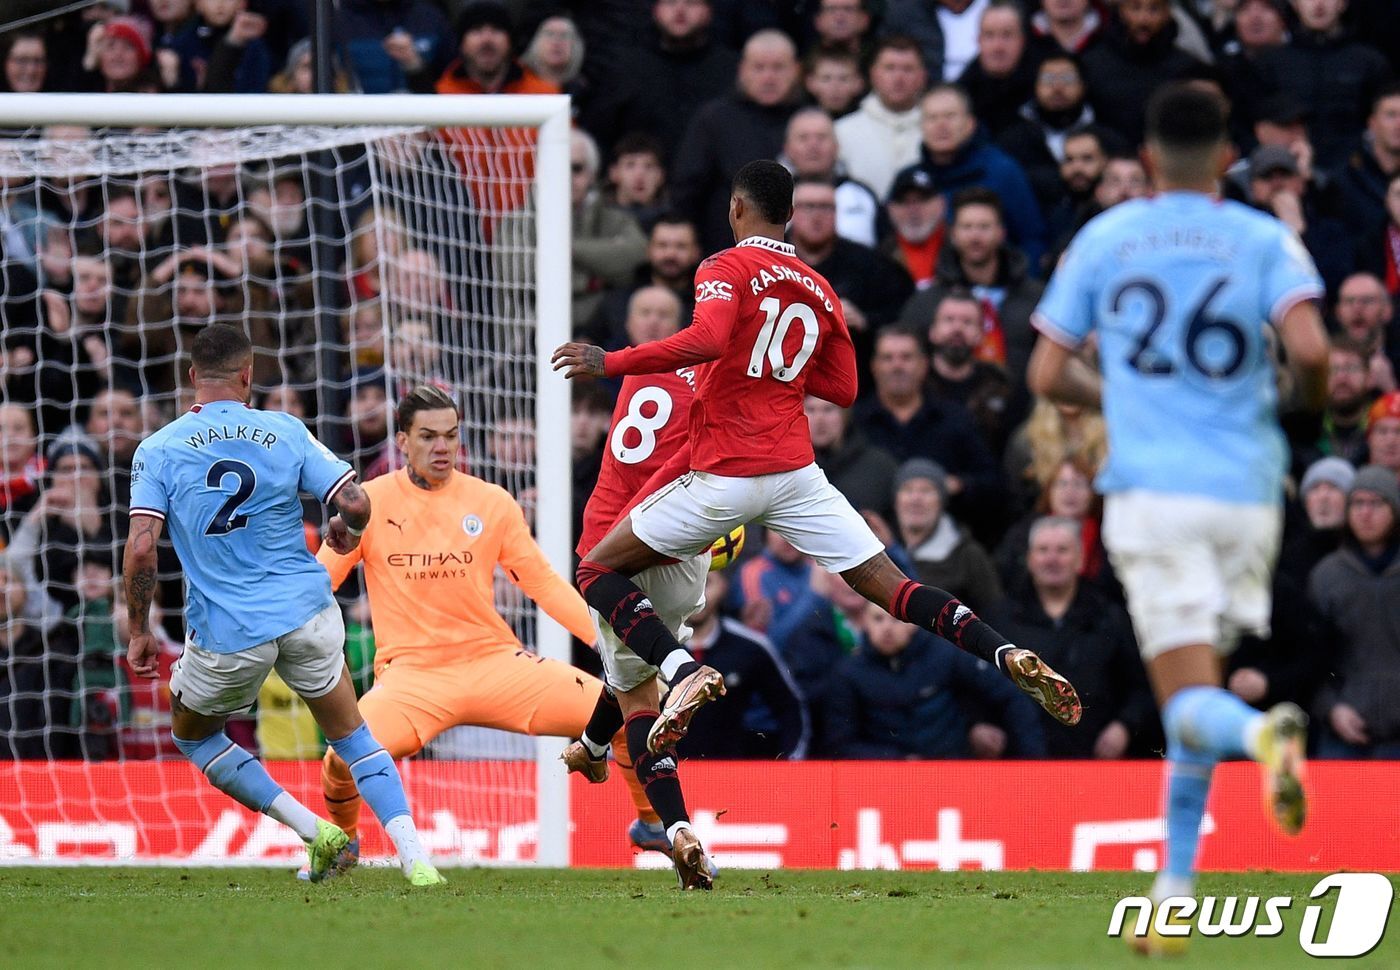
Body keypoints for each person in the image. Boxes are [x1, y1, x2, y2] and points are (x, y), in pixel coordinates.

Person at [553, 160, 1082, 766]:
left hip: (726, 474)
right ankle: (1000, 651)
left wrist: (610, 361)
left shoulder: (724, 266)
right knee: (894, 587)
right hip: (798, 477)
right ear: (791, 217)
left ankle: (677, 670)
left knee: (596, 569)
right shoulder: (818, 285)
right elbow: (845, 388)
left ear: (735, 208)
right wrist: (777, 372)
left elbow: (708, 340)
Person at [1026, 83, 1329, 955]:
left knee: (1193, 702)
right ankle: (1172, 892)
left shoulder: (1109, 236)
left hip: (1156, 494)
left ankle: (1264, 734)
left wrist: (1115, 393)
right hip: (1247, 493)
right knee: (1194, 686)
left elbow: (1048, 373)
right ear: (1227, 154)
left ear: (1149, 159)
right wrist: (1297, 406)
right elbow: (1310, 350)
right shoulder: (1263, 237)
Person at [122, 324, 443, 886]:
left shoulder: (160, 448)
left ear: (193, 376)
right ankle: (416, 860)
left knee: (194, 736)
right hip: (307, 613)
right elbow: (355, 499)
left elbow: (142, 547)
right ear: (249, 376)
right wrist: (345, 531)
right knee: (352, 735)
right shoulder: (285, 430)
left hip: (228, 630)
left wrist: (138, 627)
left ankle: (315, 831)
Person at [312, 385, 665, 879]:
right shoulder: (368, 503)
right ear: (403, 440)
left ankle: (652, 824)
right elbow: (320, 581)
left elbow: (541, 582)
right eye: (428, 437)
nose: (442, 448)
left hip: (496, 664)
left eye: (451, 436)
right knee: (340, 758)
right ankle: (345, 843)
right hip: (412, 678)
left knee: (628, 710)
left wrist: (607, 641)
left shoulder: (491, 502)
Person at [561, 335, 716, 887]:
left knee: (641, 700)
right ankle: (592, 747)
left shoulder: (638, 363)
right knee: (629, 666)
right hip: (685, 550)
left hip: (613, 539)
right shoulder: (722, 382)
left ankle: (676, 830)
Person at [989, 516, 1154, 758]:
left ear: (1080, 559)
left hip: (1095, 761)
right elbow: (976, 682)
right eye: (1043, 550)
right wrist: (981, 724)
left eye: (1062, 550)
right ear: (1030, 559)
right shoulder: (1000, 618)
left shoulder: (1110, 618)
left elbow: (1141, 686)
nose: (1052, 558)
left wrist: (1124, 726)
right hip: (1019, 761)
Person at [1307, 465, 1400, 758]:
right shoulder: (1326, 575)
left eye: (1376, 503)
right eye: (1358, 503)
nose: (1366, 513)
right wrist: (1330, 708)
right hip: (1342, 733)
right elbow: (1310, 659)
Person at [834, 35, 929, 201]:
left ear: (922, 76)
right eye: (890, 68)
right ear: (873, 74)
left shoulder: (938, 130)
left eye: (908, 69)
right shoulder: (841, 131)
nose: (899, 78)